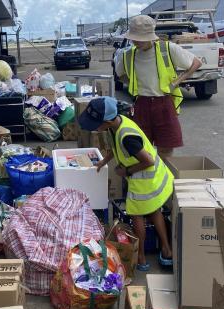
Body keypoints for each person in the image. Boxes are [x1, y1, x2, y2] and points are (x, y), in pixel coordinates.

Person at [79, 96, 174, 271]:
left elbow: (148, 160)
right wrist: (103, 162)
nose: (96, 129)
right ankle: (167, 250)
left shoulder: (127, 137)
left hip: (144, 177)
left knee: (136, 215)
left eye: (96, 124)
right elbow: (114, 148)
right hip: (152, 176)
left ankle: (141, 258)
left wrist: (126, 171)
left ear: (107, 122)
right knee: (154, 210)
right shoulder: (118, 124)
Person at [115, 15, 202, 159]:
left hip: (164, 103)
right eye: (134, 38)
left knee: (166, 149)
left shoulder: (167, 49)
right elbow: (120, 74)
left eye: (140, 38)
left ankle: (165, 177)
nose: (136, 41)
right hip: (141, 104)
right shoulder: (128, 54)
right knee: (142, 149)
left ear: (151, 36)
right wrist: (133, 83)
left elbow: (196, 63)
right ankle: (147, 179)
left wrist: (177, 81)